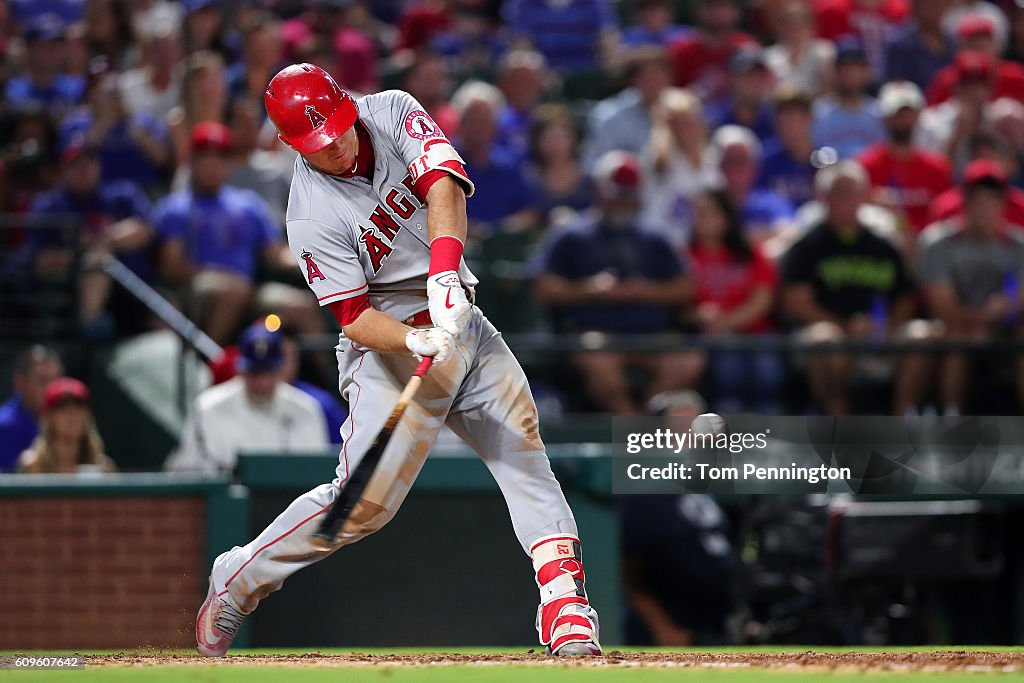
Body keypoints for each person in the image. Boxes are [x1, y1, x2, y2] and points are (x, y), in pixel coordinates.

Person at [195, 63, 603, 659]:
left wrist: (443, 274)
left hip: (458, 313)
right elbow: (353, 315)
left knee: (522, 450)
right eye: (316, 142)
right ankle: (238, 578)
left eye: (336, 128)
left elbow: (443, 183)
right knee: (361, 507)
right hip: (387, 348)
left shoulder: (387, 111)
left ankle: (565, 604)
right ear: (288, 145)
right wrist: (412, 341)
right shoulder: (308, 214)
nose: (333, 146)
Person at [535, 151, 702, 415]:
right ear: (600, 191)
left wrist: (644, 291)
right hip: (597, 331)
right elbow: (545, 287)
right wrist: (590, 289)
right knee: (597, 358)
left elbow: (685, 287)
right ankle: (630, 427)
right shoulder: (572, 234)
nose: (623, 201)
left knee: (688, 360)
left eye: (628, 194)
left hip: (651, 335)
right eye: (617, 194)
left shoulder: (655, 235)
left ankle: (647, 420)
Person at [780, 161, 930, 416]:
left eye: (853, 192)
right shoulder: (807, 246)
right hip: (832, 336)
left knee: (922, 334)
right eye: (838, 193)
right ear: (823, 199)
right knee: (824, 337)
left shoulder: (884, 245)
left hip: (879, 337)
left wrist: (886, 325)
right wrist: (844, 326)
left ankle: (902, 423)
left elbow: (906, 297)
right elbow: (796, 302)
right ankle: (839, 427)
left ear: (865, 197)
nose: (846, 200)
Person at [154, 121, 322, 345]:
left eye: (220, 158)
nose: (213, 165)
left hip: (249, 288)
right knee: (233, 291)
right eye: (205, 158)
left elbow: (276, 253)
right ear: (192, 162)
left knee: (299, 306)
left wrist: (313, 263)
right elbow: (173, 267)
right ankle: (208, 365)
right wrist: (219, 275)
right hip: (197, 290)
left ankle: (336, 375)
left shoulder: (248, 204)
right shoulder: (177, 206)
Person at [918, 159, 1024, 414]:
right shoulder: (938, 243)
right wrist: (981, 319)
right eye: (978, 201)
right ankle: (949, 421)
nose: (985, 209)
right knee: (954, 337)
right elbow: (944, 308)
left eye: (993, 201)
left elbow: (1019, 299)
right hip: (950, 327)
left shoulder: (1019, 245)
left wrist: (998, 315)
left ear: (1002, 205)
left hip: (1003, 329)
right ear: (964, 202)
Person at [165, 322, 329, 474]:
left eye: (268, 372)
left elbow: (316, 473)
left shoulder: (306, 408)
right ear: (239, 368)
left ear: (280, 369)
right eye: (254, 373)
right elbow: (185, 472)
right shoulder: (208, 406)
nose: (262, 382)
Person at [28, 141, 154, 334]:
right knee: (96, 261)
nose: (83, 170)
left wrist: (100, 239)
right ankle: (90, 327)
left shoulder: (120, 193)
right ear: (63, 170)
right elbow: (41, 261)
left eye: (89, 163)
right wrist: (81, 252)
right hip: (68, 293)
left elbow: (145, 230)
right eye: (76, 165)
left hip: (130, 290)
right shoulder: (49, 205)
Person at [688, 189, 784, 414]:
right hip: (712, 338)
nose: (702, 220)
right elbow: (681, 305)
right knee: (728, 365)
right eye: (698, 213)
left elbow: (762, 301)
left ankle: (772, 435)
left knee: (766, 368)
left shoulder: (752, 253)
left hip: (757, 334)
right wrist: (698, 315)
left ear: (727, 217)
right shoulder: (685, 256)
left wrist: (725, 322)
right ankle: (731, 439)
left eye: (709, 213)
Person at [858, 80, 953, 238]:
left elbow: (943, 215)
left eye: (908, 113)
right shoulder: (866, 166)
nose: (903, 120)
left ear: (918, 117)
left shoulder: (937, 168)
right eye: (897, 114)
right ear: (885, 118)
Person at [640, 87, 719, 248]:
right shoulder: (656, 161)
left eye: (689, 122)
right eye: (676, 124)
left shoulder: (713, 157)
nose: (684, 130)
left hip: (704, 246)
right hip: (665, 244)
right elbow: (651, 214)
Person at [451, 81, 533, 233]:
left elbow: (529, 212)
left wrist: (502, 230)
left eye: (486, 120)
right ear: (461, 123)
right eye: (474, 120)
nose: (480, 127)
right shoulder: (441, 164)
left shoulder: (510, 164)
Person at [581, 46, 672, 171]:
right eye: (649, 77)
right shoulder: (608, 114)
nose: (656, 82)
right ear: (634, 80)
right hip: (622, 188)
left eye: (660, 75)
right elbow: (593, 164)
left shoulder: (681, 111)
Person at [711, 125, 795, 242]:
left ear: (755, 165)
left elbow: (790, 233)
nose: (736, 168)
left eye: (741, 160)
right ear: (719, 165)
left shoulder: (771, 202)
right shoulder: (711, 204)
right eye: (730, 160)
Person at [668, 0, 758, 107]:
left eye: (722, 6)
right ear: (698, 11)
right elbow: (667, 94)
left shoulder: (747, 47)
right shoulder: (681, 50)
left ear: (735, 12)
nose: (716, 13)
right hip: (694, 116)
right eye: (710, 6)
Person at [18, 377, 116, 474]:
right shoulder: (32, 465)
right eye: (63, 408)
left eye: (78, 407)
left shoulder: (103, 467)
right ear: (49, 417)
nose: (72, 415)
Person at [811, 42, 885, 160]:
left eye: (856, 69)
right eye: (845, 68)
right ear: (835, 72)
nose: (850, 74)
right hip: (830, 172)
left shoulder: (877, 112)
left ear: (866, 73)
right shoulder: (820, 110)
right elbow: (816, 152)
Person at [525, 104, 595, 224]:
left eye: (560, 138)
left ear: (573, 140)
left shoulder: (591, 178)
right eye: (548, 139)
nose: (555, 145)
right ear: (537, 143)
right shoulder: (528, 179)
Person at [4, 14, 84, 115]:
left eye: (59, 44)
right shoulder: (11, 91)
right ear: (30, 48)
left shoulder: (77, 88)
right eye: (46, 44)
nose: (54, 50)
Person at [0, 346, 63, 473]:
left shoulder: (69, 424)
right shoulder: (3, 426)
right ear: (19, 383)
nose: (51, 389)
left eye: (56, 380)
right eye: (42, 380)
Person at [761, 85, 820, 210]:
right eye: (787, 121)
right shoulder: (765, 162)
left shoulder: (825, 162)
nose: (793, 128)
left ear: (811, 120)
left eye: (799, 120)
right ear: (777, 124)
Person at [763, 0, 835, 97]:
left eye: (800, 22)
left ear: (811, 25)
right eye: (789, 23)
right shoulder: (770, 57)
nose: (795, 29)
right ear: (781, 27)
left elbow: (829, 90)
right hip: (781, 108)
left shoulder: (824, 52)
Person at [883, 0, 955, 90]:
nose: (937, 8)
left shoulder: (952, 42)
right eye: (931, 4)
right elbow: (896, 87)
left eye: (941, 3)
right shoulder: (900, 44)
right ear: (916, 7)